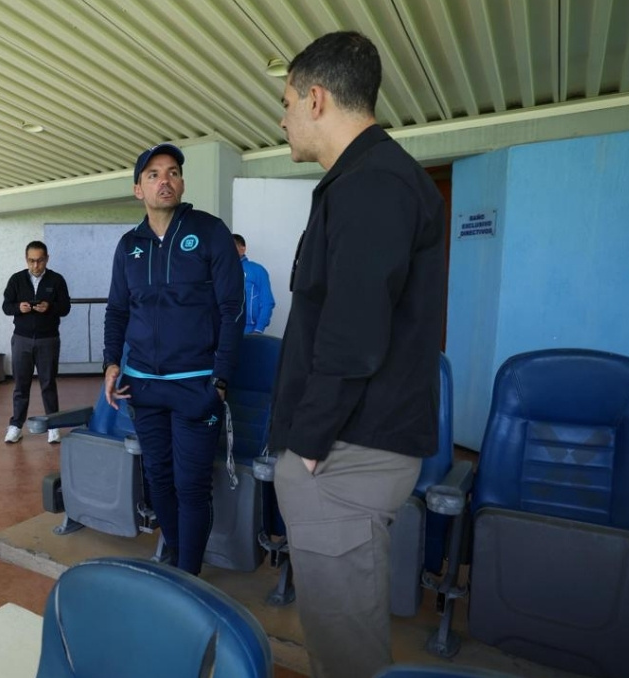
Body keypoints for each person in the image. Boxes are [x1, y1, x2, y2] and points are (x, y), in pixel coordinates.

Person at [269, 31, 447, 678]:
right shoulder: (367, 180)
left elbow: (352, 333)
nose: (282, 118)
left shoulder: (373, 184)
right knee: (337, 633)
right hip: (345, 452)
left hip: (343, 457)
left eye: (286, 102)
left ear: (315, 99)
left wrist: (308, 444)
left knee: (346, 651)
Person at [102, 143, 243, 575]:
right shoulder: (129, 246)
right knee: (158, 479)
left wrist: (219, 381)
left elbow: (232, 309)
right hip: (142, 385)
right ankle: (179, 563)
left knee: (191, 484)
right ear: (138, 189)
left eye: (173, 172)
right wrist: (111, 364)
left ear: (182, 182)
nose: (165, 180)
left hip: (196, 384)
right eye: (153, 174)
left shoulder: (210, 231)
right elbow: (118, 310)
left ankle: (188, 575)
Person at [1, 240, 72, 445]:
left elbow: (65, 307)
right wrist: (18, 308)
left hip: (48, 339)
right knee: (20, 385)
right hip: (21, 339)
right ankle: (16, 426)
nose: (35, 266)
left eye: (40, 261)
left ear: (47, 259)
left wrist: (49, 307)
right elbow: (6, 306)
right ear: (26, 260)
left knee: (48, 383)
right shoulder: (16, 279)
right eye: (31, 261)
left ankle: (53, 425)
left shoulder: (57, 280)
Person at [232, 234, 276, 334]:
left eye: (232, 246)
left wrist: (258, 329)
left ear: (242, 249)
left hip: (249, 330)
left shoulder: (257, 270)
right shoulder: (220, 270)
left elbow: (267, 302)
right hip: (225, 329)